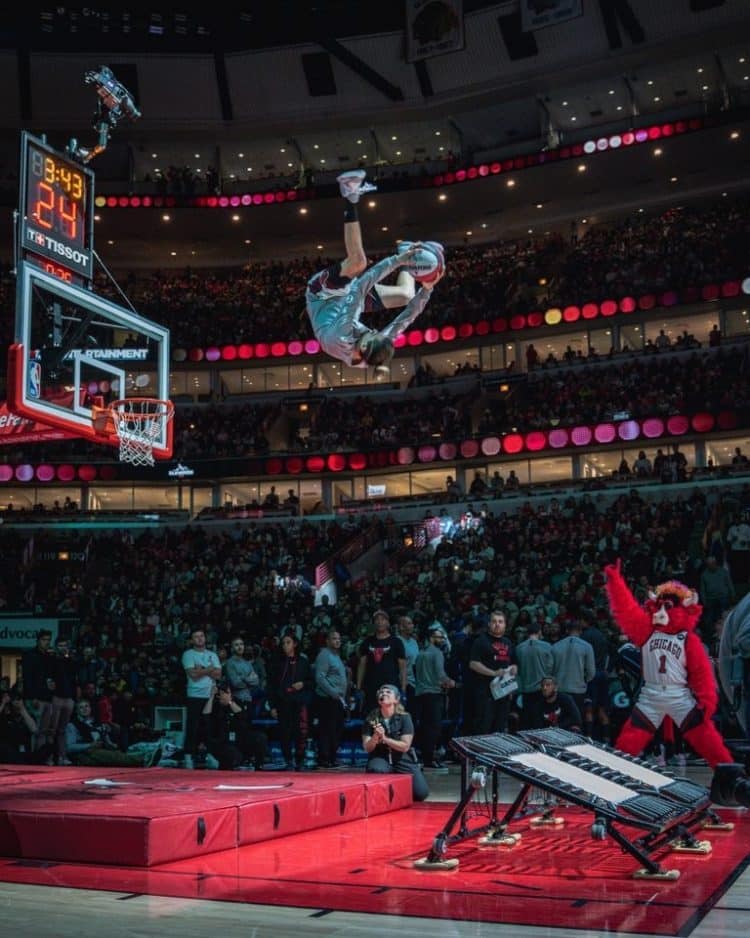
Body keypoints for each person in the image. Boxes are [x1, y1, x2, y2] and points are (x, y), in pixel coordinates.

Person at [305, 169, 444, 373]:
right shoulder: (376, 347)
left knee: (358, 263)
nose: (374, 330)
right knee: (406, 295)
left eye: (372, 333)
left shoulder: (343, 335)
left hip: (323, 297)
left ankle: (350, 194)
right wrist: (428, 289)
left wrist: (397, 261)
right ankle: (410, 252)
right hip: (347, 305)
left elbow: (360, 286)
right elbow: (405, 319)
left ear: (362, 347)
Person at [362, 684, 429, 801]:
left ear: (396, 699)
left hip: (401, 757)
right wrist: (375, 737)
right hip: (380, 755)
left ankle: (398, 792)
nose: (384, 694)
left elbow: (405, 746)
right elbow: (367, 748)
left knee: (421, 793)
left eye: (388, 692)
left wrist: (385, 739)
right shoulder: (371, 718)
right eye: (381, 692)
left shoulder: (405, 718)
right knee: (377, 770)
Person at [268, 630, 313, 771]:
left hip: (299, 702)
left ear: (295, 644)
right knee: (284, 732)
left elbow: (312, 682)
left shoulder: (304, 662)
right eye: (283, 643)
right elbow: (271, 685)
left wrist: (303, 684)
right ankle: (288, 759)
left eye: (288, 643)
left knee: (301, 732)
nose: (285, 646)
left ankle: (300, 760)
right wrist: (273, 706)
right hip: (283, 702)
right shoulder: (277, 663)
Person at [468, 609, 517, 734]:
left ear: (505, 625)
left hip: (504, 692)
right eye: (494, 621)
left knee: (500, 727)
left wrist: (514, 669)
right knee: (484, 727)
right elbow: (473, 664)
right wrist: (494, 673)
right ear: (489, 624)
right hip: (485, 692)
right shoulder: (480, 641)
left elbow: (513, 663)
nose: (497, 624)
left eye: (500, 622)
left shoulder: (508, 642)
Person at [414, 624, 455, 771]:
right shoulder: (437, 653)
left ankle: (426, 758)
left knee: (425, 728)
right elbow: (440, 675)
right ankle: (430, 760)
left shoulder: (420, 653)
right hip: (434, 695)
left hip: (421, 695)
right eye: (440, 637)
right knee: (434, 729)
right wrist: (452, 683)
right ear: (432, 638)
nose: (443, 639)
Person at [201, 680, 268, 771]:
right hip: (222, 741)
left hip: (239, 737)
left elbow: (242, 715)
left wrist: (229, 702)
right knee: (233, 755)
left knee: (260, 737)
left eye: (226, 692)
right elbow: (205, 715)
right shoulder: (214, 704)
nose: (223, 695)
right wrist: (212, 696)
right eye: (221, 693)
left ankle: (259, 766)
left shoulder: (236, 702)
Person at [181, 627, 222, 769]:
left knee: (209, 727)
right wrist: (209, 669)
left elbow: (218, 675)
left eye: (202, 636)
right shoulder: (188, 655)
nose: (199, 638)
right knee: (192, 727)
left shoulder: (213, 654)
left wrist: (201, 669)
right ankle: (188, 756)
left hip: (210, 694)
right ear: (192, 640)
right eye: (196, 636)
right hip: (194, 695)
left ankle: (209, 755)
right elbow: (193, 675)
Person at [356, 609, 407, 714]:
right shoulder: (367, 641)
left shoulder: (396, 642)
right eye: (377, 620)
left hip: (391, 687)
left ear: (388, 623)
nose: (379, 622)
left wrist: (403, 689)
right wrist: (358, 687)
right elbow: (362, 665)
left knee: (390, 719)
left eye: (382, 619)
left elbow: (403, 668)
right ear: (374, 623)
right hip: (371, 688)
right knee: (372, 720)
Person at [313, 628, 349, 768]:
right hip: (327, 699)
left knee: (335, 729)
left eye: (339, 638)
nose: (337, 641)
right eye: (334, 638)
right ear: (327, 641)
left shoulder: (336, 656)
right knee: (327, 729)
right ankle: (324, 759)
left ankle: (332, 758)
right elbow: (320, 678)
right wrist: (334, 692)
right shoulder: (324, 655)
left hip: (337, 699)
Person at [515, 621, 554, 730]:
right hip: (541, 688)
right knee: (540, 720)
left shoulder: (519, 648)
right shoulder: (546, 646)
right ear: (539, 632)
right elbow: (550, 667)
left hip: (525, 689)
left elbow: (518, 670)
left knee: (527, 719)